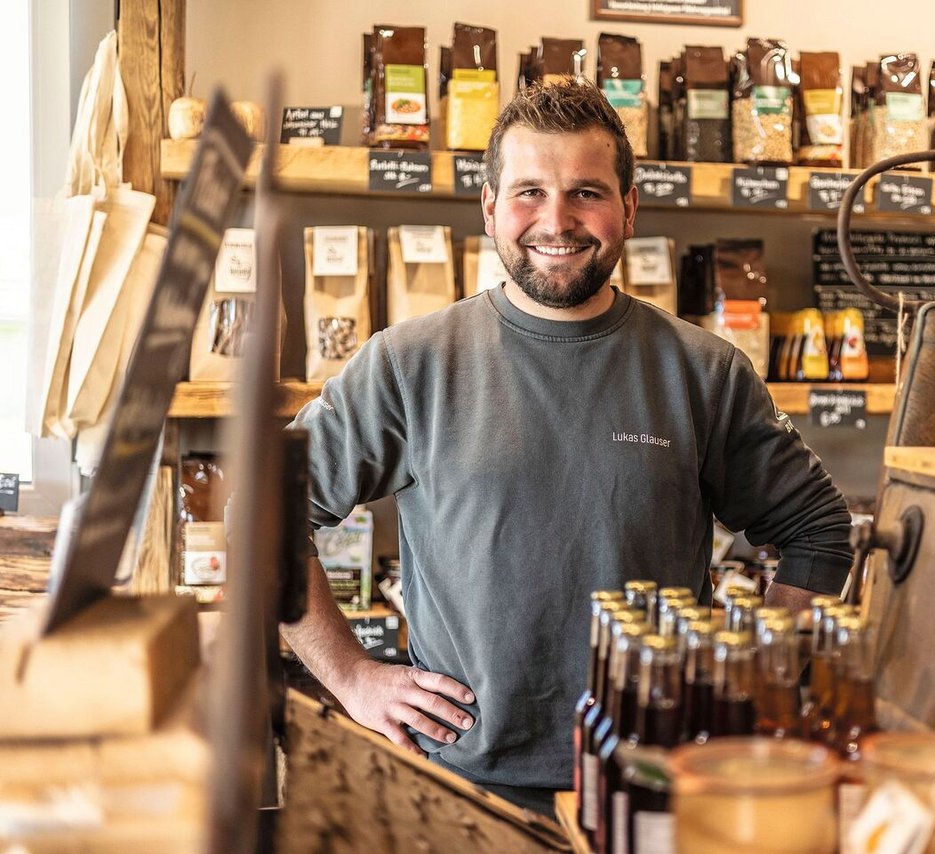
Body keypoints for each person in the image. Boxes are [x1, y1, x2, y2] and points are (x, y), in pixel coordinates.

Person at [283, 82, 853, 817]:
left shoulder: (703, 372)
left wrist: (756, 679)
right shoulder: (409, 365)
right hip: (464, 789)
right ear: (489, 206)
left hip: (660, 788)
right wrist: (354, 677)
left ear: (629, 207)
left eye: (586, 192)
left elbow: (817, 531)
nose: (557, 221)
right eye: (529, 192)